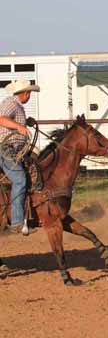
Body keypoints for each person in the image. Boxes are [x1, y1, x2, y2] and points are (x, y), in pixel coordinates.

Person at [0, 79, 40, 235]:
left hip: (11, 149)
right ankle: (17, 222)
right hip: (5, 148)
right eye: (29, 93)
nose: (29, 96)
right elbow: (1, 119)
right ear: (26, 93)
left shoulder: (17, 106)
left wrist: (26, 121)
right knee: (20, 179)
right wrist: (19, 126)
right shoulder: (11, 102)